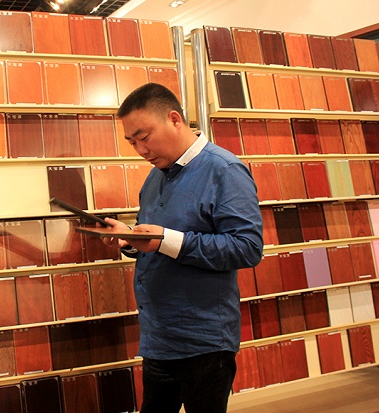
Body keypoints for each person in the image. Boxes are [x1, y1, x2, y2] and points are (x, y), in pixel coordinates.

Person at [102, 83, 264, 413]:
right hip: (158, 336)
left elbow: (247, 248)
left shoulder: (224, 170)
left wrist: (167, 240)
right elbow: (155, 241)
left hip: (204, 341)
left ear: (174, 119)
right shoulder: (154, 178)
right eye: (132, 142)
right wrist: (131, 239)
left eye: (144, 137)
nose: (140, 150)